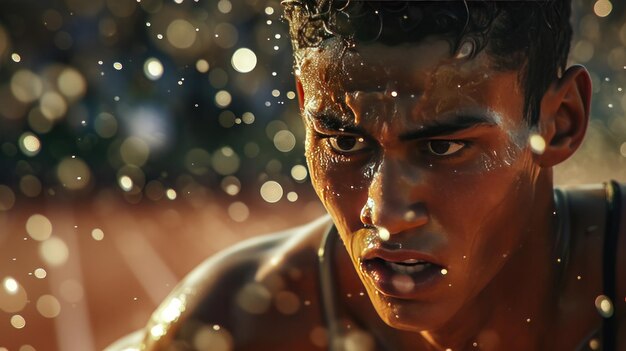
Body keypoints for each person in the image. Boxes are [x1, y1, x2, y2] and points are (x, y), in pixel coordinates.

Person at [107, 1, 625, 350]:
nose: (384, 212)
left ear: (561, 123)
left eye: (443, 147)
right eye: (344, 143)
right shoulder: (240, 328)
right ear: (306, 110)